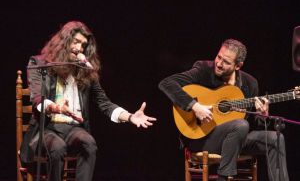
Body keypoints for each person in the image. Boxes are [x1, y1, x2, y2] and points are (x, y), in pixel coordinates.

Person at [20, 21, 157, 181]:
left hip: (73, 129)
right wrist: (57, 108)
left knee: (89, 143)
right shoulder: (39, 64)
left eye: (83, 45)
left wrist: (129, 116)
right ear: (64, 41)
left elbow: (103, 102)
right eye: (75, 41)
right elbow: (37, 100)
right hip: (46, 129)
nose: (79, 48)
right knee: (57, 147)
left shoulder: (85, 70)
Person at [158, 39, 289, 181]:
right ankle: (224, 178)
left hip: (236, 138)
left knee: (276, 138)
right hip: (203, 138)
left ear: (238, 65)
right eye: (218, 57)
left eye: (226, 62)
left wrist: (263, 117)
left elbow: (254, 125)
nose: (219, 64)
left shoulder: (250, 84)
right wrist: (195, 106)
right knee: (240, 125)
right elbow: (167, 83)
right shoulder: (204, 69)